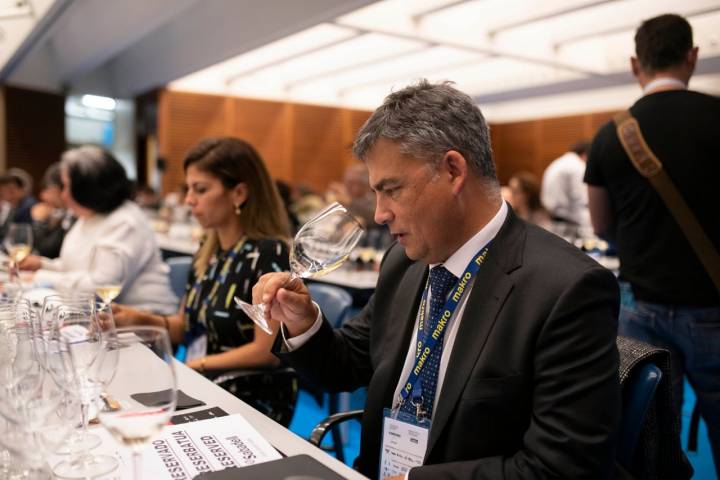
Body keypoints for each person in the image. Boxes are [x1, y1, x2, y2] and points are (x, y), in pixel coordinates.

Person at [255, 80, 621, 479]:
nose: (379, 214)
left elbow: (563, 468)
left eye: (391, 189)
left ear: (452, 170)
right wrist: (303, 321)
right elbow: (350, 364)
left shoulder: (566, 288)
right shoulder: (405, 262)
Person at [585, 13, 720, 475]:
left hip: (641, 305)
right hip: (713, 306)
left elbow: (601, 224)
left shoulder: (610, 135)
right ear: (692, 57)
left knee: (651, 437)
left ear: (633, 64)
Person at [113, 137, 295, 425]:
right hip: (204, 383)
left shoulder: (268, 253)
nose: (188, 200)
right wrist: (133, 318)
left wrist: (193, 366)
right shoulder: (208, 251)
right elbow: (184, 327)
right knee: (119, 405)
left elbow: (266, 353)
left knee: (134, 423)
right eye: (188, 189)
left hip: (248, 396)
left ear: (238, 193)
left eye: (200, 189)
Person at [19, 146, 177, 314]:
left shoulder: (125, 221)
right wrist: (42, 265)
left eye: (66, 186)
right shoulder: (89, 216)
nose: (63, 195)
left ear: (87, 188)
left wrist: (41, 277)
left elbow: (101, 288)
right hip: (102, 318)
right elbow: (77, 268)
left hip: (143, 321)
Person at [541, 141, 591, 230]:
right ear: (585, 154)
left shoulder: (559, 162)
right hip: (567, 220)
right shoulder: (578, 166)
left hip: (552, 216)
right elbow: (582, 199)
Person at [30, 163, 74, 258]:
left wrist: (39, 222)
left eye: (48, 190)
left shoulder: (75, 215)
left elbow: (45, 251)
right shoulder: (61, 213)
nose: (43, 196)